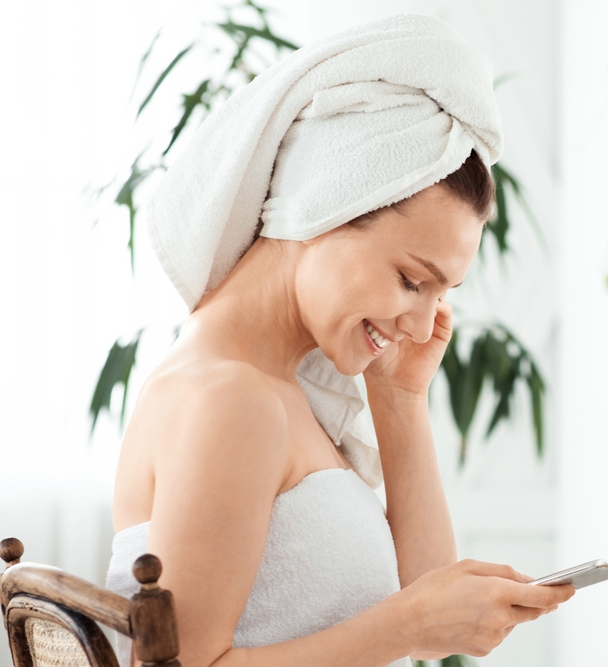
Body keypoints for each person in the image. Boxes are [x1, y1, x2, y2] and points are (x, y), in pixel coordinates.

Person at [105, 14, 573, 667]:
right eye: (411, 280)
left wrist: (401, 398)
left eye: (441, 295)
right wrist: (404, 627)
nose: (422, 324)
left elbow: (431, 613)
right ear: (322, 209)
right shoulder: (231, 398)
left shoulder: (273, 389)